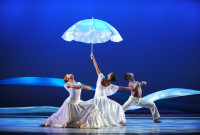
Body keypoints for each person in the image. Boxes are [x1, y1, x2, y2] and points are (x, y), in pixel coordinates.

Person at [89, 53, 131, 126]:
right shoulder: (109, 84)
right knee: (116, 107)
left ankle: (120, 121)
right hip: (102, 99)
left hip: (99, 99)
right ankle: (120, 121)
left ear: (110, 76)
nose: (108, 73)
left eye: (109, 73)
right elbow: (121, 87)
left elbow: (97, 68)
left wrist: (93, 59)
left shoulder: (101, 78)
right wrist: (130, 88)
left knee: (113, 107)